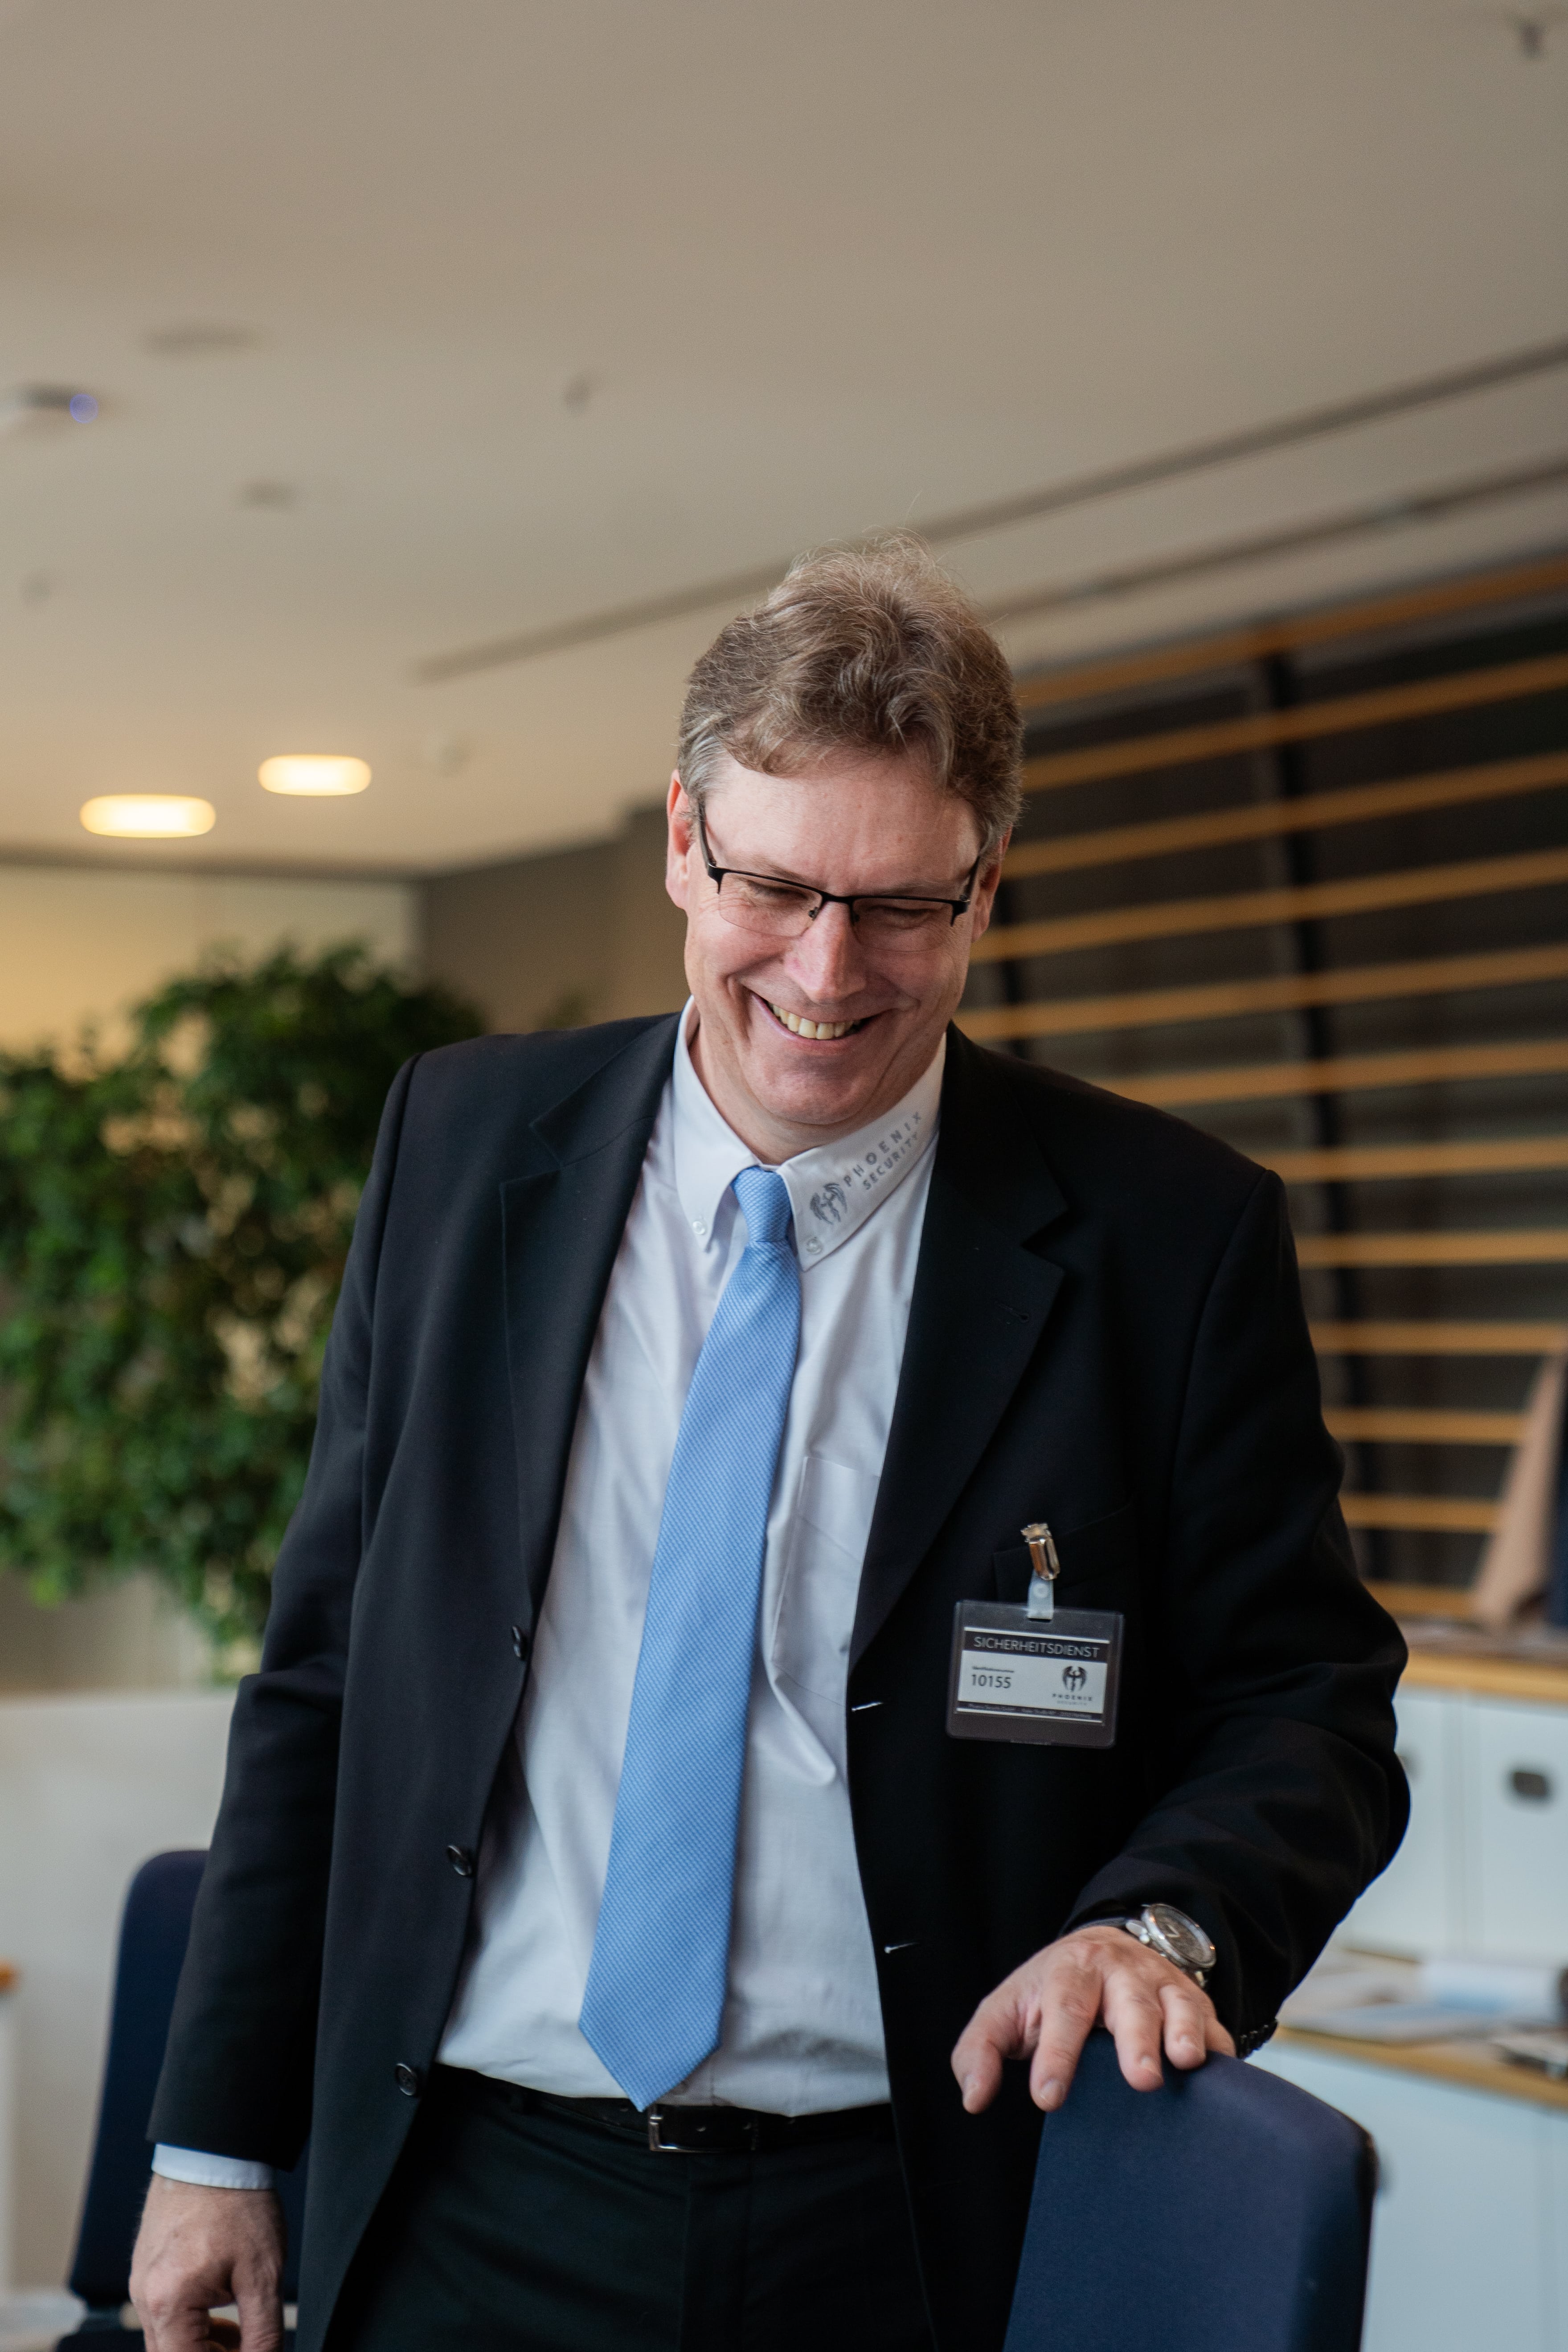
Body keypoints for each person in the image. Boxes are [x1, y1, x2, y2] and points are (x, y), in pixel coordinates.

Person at [131, 535, 1407, 2352]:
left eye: (903, 905)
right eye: (775, 887)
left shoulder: (1162, 1235)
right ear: (679, 838)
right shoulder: (465, 1147)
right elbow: (329, 1675)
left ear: (987, 886)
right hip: (462, 2194)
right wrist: (213, 2143)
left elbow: (1306, 1697)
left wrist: (1167, 1923)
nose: (828, 970)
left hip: (909, 2219)